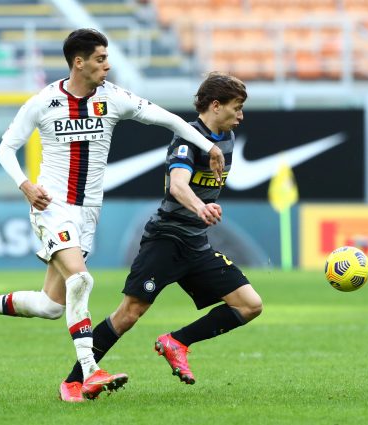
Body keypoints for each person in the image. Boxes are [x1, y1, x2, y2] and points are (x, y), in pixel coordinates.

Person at [0, 28, 226, 402]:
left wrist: (209, 146)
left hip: (88, 212)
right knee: (80, 280)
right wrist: (25, 185)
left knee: (50, 305)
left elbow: (169, 120)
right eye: (100, 58)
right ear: (79, 63)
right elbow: (5, 149)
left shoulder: (113, 98)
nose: (107, 65)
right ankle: (90, 372)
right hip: (52, 206)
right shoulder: (44, 102)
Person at [61, 72, 263, 396]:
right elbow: (178, 185)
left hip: (196, 243)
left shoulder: (226, 139)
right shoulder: (187, 139)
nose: (241, 115)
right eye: (236, 107)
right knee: (129, 313)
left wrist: (203, 209)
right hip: (166, 240)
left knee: (249, 305)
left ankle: (177, 342)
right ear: (215, 105)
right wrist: (201, 207)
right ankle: (73, 381)